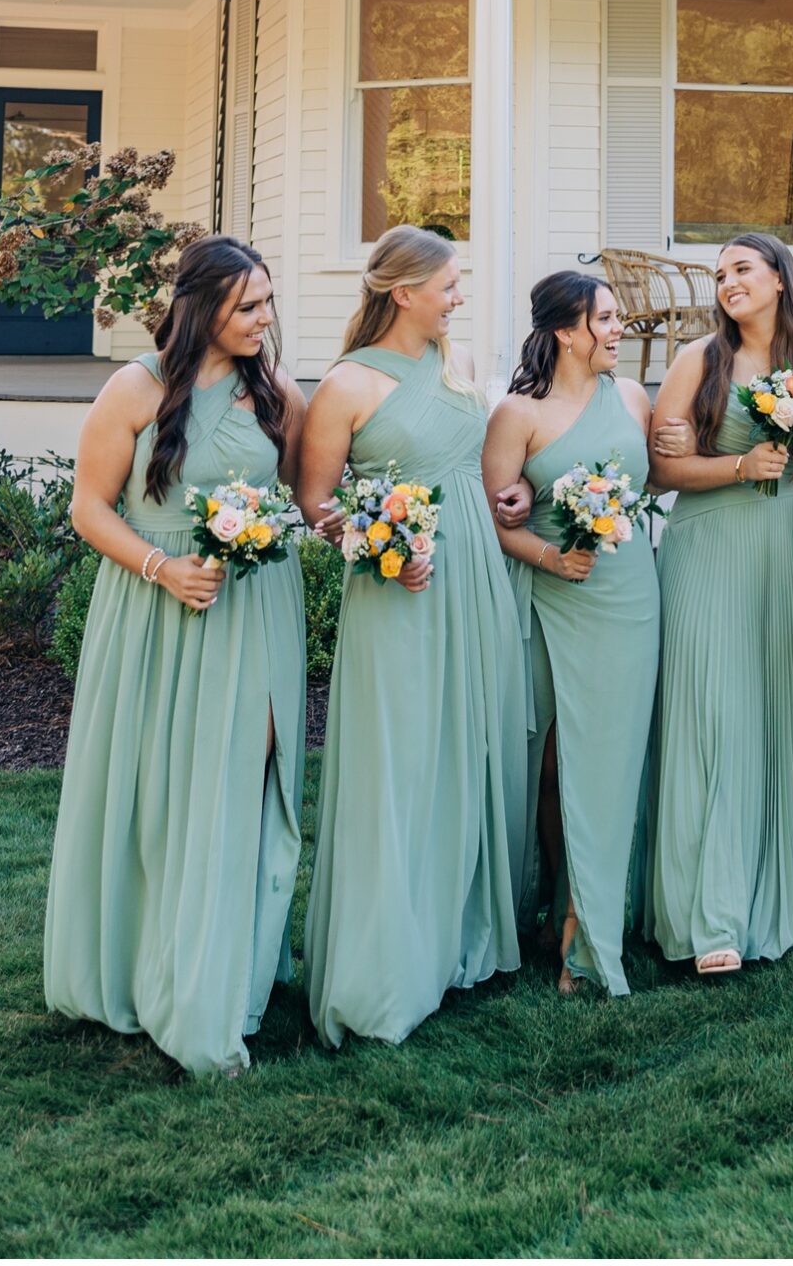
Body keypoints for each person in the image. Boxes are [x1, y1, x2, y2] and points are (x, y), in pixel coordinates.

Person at [43, 237, 307, 1076]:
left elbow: (304, 499)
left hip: (258, 607)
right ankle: (148, 968)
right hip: (156, 608)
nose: (265, 321)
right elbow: (88, 507)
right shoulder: (136, 387)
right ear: (200, 308)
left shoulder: (276, 394)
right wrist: (164, 569)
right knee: (159, 790)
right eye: (248, 308)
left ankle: (220, 978)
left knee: (244, 782)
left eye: (268, 303)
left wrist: (382, 527)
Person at [298, 226, 528, 1046]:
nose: (459, 297)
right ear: (404, 293)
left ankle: (462, 938)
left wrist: (510, 500)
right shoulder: (349, 384)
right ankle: (387, 958)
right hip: (401, 590)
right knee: (400, 759)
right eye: (449, 285)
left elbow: (472, 464)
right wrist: (383, 551)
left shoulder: (457, 366)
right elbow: (317, 502)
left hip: (474, 576)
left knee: (471, 747)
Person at [644, 233, 793, 976]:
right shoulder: (696, 361)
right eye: (720, 274)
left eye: (742, 269)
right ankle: (714, 914)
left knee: (784, 709)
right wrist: (738, 464)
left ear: (778, 278)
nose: (728, 282)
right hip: (711, 551)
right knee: (716, 715)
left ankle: (784, 877)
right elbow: (659, 467)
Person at [484, 271, 661, 996]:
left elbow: (644, 488)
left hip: (627, 597)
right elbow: (496, 525)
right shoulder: (517, 415)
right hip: (550, 596)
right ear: (567, 331)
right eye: (608, 319)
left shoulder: (633, 398)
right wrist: (549, 548)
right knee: (553, 766)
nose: (621, 329)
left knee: (611, 763)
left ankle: (586, 931)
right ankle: (554, 898)